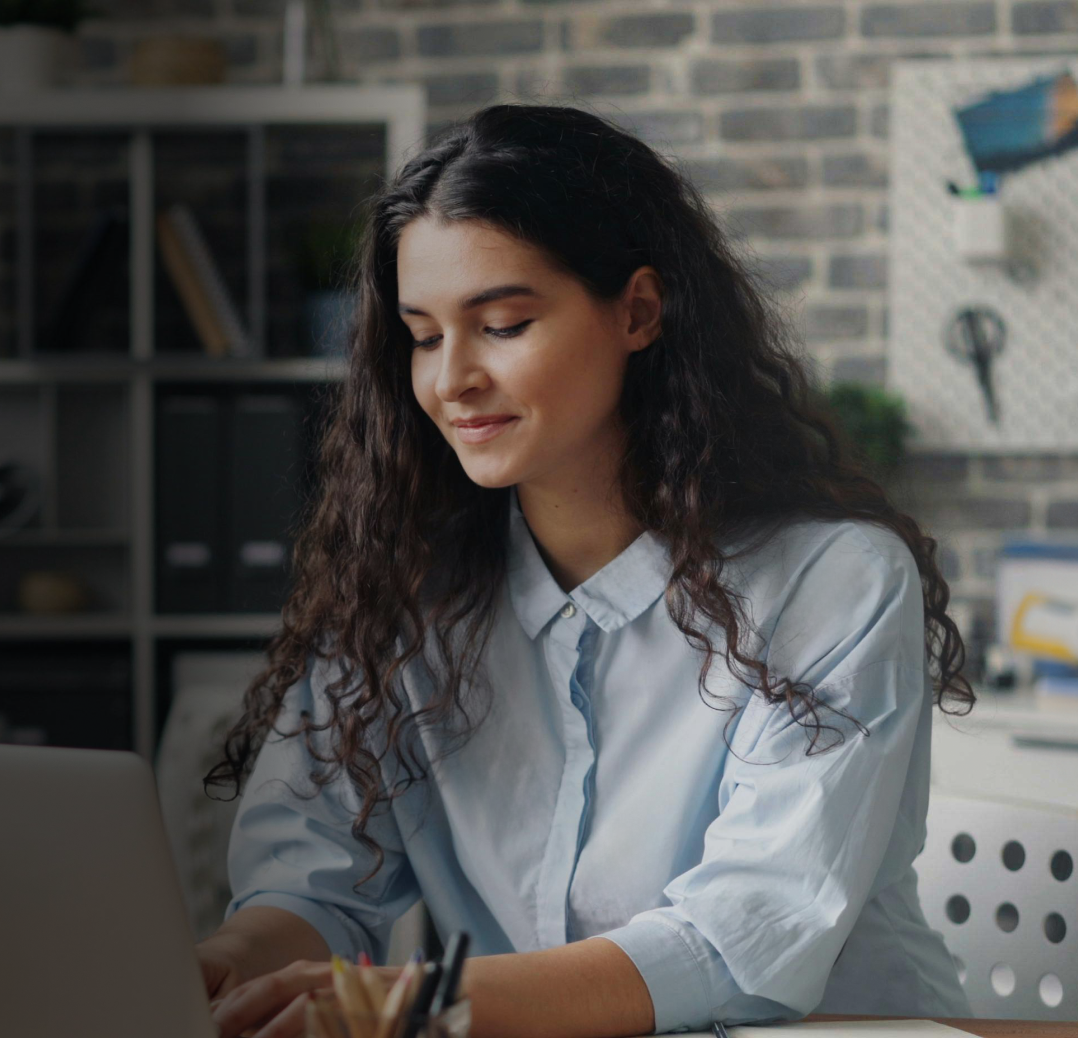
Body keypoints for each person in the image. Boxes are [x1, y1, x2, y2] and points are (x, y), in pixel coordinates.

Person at [195, 103, 974, 1038]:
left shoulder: (832, 581)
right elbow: (313, 887)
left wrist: (420, 1005)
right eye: (425, 336)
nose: (451, 380)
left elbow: (740, 944)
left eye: (504, 323)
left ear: (637, 312)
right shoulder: (400, 592)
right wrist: (211, 974)